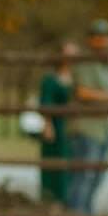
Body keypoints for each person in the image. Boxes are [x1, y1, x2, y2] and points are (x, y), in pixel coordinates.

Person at [67, 18, 108, 215]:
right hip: (86, 127)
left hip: (104, 128)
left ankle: (86, 214)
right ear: (90, 40)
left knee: (98, 176)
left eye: (105, 38)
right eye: (98, 38)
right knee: (84, 175)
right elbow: (82, 92)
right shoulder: (84, 63)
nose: (102, 42)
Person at [37, 41, 80, 206]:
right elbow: (45, 102)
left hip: (73, 128)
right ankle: (50, 200)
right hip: (56, 126)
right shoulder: (50, 79)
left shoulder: (76, 79)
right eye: (68, 54)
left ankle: (67, 201)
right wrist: (48, 124)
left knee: (70, 166)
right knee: (53, 165)